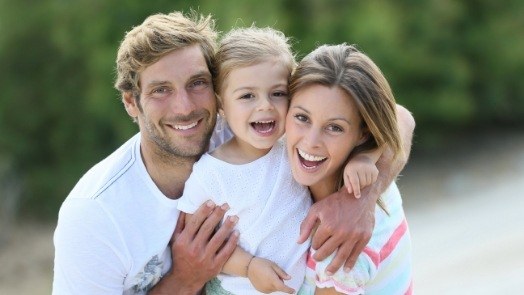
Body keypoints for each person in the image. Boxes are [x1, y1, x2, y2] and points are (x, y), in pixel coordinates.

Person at [52, 10, 414, 295]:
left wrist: (360, 201)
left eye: (197, 84)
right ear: (131, 103)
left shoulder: (244, 129)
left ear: (217, 93)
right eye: (161, 90)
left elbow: (396, 117)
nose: (184, 107)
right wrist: (185, 278)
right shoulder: (94, 216)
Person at [285, 43, 413, 294]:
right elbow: (400, 117)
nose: (311, 141)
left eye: (335, 127)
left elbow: (398, 117)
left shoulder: (341, 249)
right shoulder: (370, 171)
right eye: (302, 117)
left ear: (363, 134)